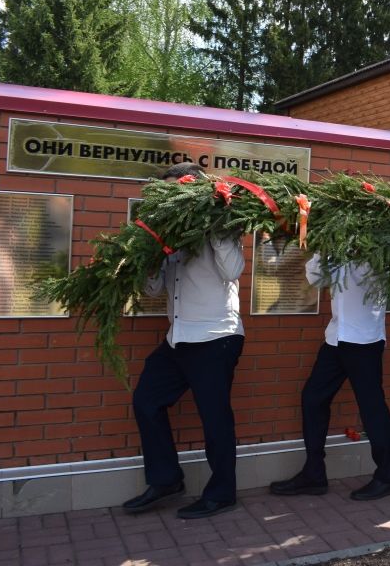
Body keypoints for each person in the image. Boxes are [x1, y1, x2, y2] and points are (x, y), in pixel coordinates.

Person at [123, 162, 245, 519]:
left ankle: (223, 493)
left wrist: (217, 224)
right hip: (179, 338)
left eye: (178, 190)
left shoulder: (221, 227)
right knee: (147, 400)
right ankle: (166, 479)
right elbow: (155, 288)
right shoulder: (169, 234)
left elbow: (233, 271)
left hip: (215, 335)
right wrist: (145, 260)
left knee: (215, 418)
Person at [269, 254, 390, 500]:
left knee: (372, 408)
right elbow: (316, 279)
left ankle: (388, 476)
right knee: (313, 398)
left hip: (364, 339)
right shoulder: (336, 239)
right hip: (336, 336)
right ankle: (314, 474)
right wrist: (324, 249)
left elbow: (389, 276)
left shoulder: (379, 241)